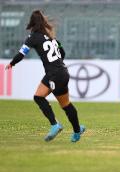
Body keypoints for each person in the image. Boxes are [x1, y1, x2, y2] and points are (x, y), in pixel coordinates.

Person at [5, 10, 85, 142]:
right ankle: (72, 128)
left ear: (31, 23)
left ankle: (65, 127)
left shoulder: (33, 37)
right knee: (39, 97)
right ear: (43, 23)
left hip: (55, 75)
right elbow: (62, 51)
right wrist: (57, 63)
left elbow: (21, 53)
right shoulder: (52, 38)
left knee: (65, 105)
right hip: (59, 72)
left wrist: (12, 63)